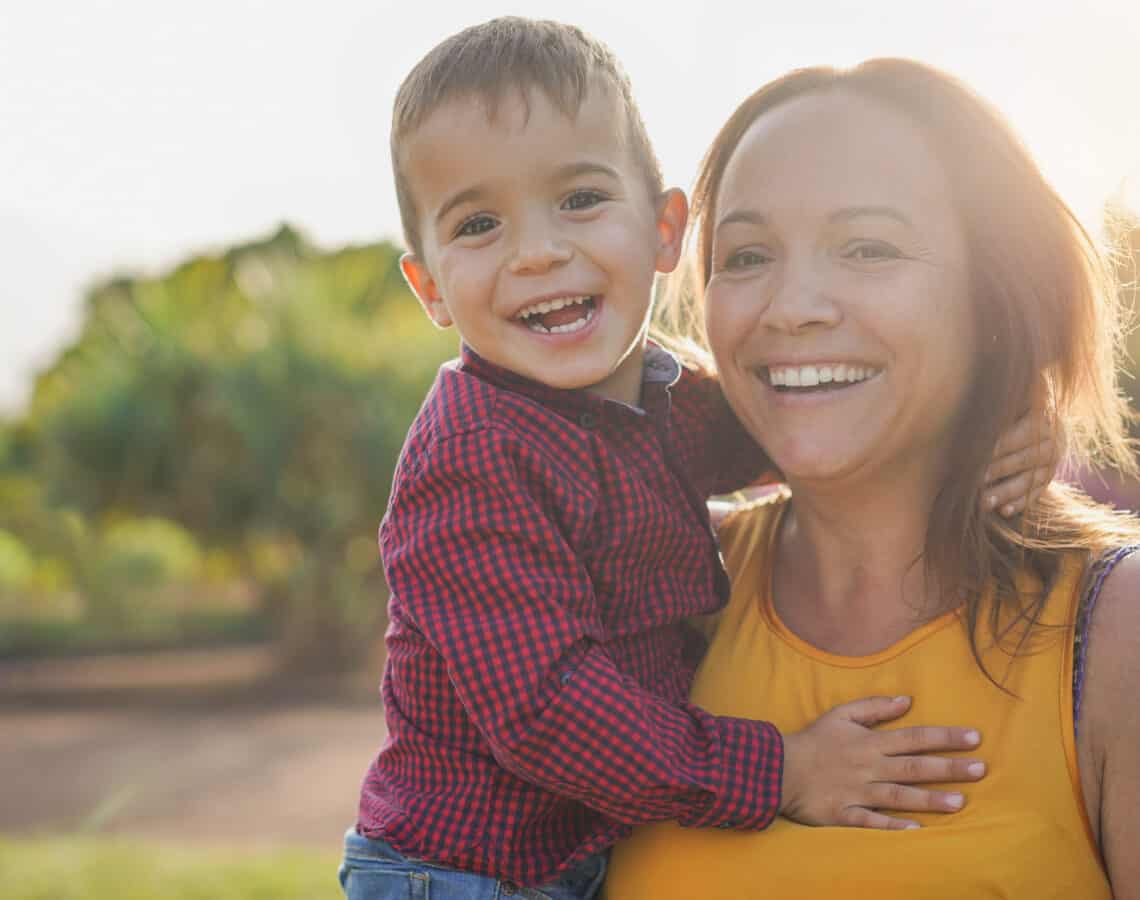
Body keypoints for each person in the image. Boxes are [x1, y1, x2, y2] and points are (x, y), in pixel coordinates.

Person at [342, 20, 1052, 899]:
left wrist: (995, 429)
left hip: (573, 855)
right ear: (430, 288)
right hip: (461, 874)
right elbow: (548, 713)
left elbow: (814, 406)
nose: (537, 251)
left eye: (579, 199)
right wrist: (781, 770)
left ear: (666, 230)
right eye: (480, 223)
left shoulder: (664, 402)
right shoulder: (472, 460)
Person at [603, 58, 1140, 899]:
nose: (792, 306)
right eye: (746, 256)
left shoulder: (1117, 630)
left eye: (867, 247)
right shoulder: (652, 592)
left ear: (993, 295)